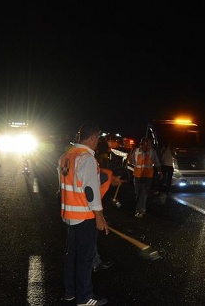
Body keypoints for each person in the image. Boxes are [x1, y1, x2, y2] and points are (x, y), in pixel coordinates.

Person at [58, 122, 108, 306]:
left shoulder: (66, 156)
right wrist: (99, 216)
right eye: (98, 138)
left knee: (71, 255)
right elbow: (90, 191)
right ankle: (85, 298)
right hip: (84, 217)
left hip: (69, 215)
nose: (98, 142)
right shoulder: (86, 159)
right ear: (93, 137)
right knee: (84, 259)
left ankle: (70, 292)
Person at [92, 167, 125, 272]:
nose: (120, 184)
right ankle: (94, 264)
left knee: (87, 237)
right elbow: (90, 195)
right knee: (89, 236)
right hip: (81, 210)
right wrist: (98, 217)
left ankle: (93, 262)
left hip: (82, 209)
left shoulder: (104, 176)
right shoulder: (103, 177)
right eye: (121, 181)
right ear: (118, 177)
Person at [129, 137, 161, 218]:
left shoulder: (152, 152)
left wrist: (160, 172)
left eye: (147, 145)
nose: (146, 147)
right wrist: (129, 157)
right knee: (137, 193)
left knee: (143, 193)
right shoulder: (136, 151)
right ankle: (141, 208)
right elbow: (131, 161)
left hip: (147, 176)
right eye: (144, 145)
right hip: (137, 176)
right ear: (141, 145)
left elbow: (157, 163)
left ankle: (140, 210)